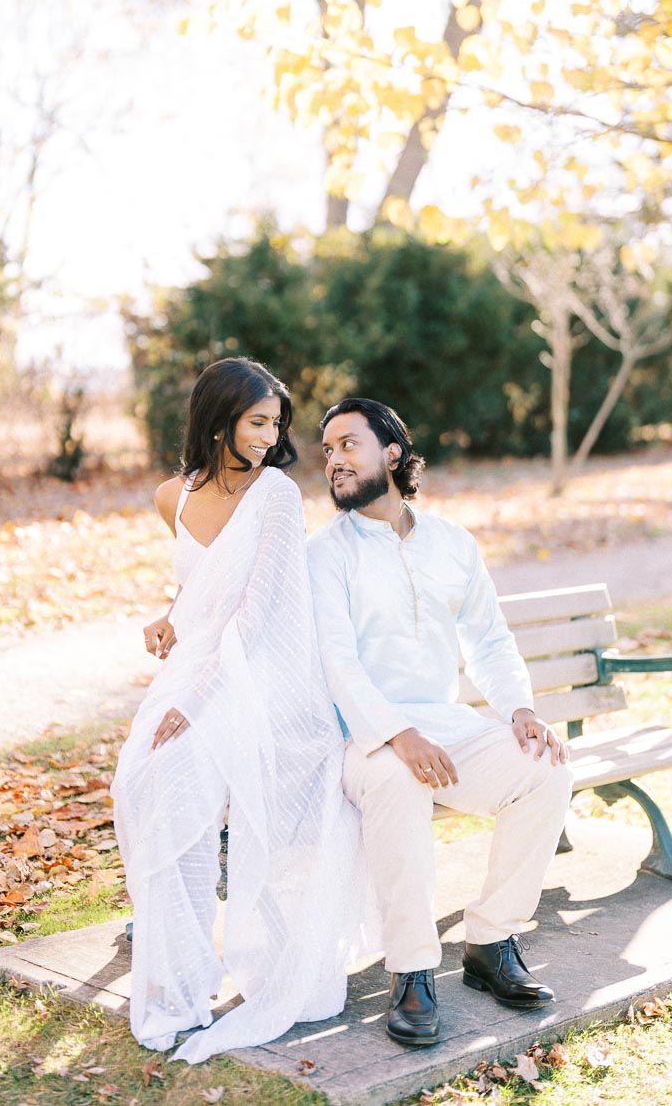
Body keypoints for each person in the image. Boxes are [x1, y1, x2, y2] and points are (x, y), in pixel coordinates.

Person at [111, 358, 365, 1064]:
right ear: (218, 417)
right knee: (137, 781)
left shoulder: (277, 493)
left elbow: (257, 611)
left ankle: (206, 974)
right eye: (259, 421)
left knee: (181, 771)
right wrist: (165, 620)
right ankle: (177, 969)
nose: (270, 435)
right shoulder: (174, 495)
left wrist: (195, 702)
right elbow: (203, 588)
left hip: (260, 680)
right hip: (195, 666)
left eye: (276, 423)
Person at [307, 397, 573, 1049]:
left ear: (392, 454)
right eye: (327, 452)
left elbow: (488, 637)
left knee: (544, 770)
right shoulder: (326, 553)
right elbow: (339, 663)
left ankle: (490, 941)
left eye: (348, 445)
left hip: (447, 729)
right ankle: (413, 971)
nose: (334, 461)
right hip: (364, 740)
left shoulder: (453, 543)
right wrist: (396, 734)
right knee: (398, 783)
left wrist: (520, 708)